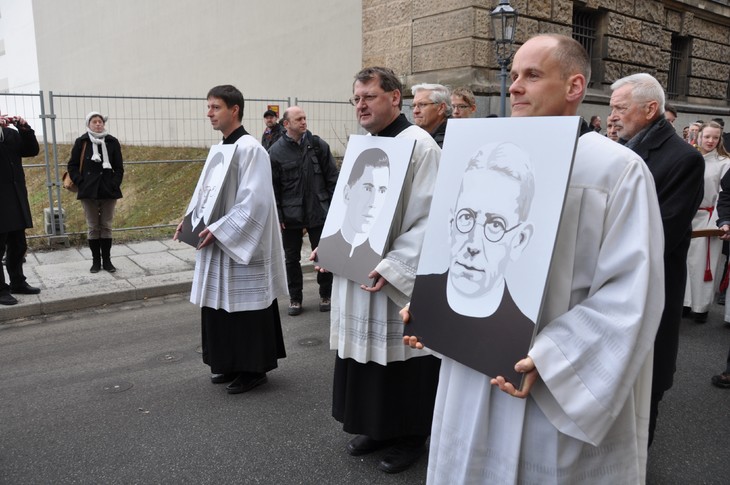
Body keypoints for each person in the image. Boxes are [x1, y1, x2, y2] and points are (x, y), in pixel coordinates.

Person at [403, 34, 665, 483]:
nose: (515, 86)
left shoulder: (615, 170)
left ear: (574, 86)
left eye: (532, 75)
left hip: (547, 383)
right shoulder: (477, 155)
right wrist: (433, 307)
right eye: (515, 75)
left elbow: (632, 291)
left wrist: (552, 357)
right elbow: (450, 245)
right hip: (472, 368)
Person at [314, 66, 441, 474]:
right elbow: (348, 204)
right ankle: (378, 426)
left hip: (395, 277)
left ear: (395, 98)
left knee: (401, 358)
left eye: (369, 96)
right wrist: (331, 244)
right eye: (356, 98)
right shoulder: (363, 144)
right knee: (366, 357)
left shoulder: (420, 145)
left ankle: (410, 435)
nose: (361, 105)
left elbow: (432, 218)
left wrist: (396, 264)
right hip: (358, 270)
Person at [609, 72, 704, 446]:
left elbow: (659, 234)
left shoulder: (684, 160)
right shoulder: (618, 147)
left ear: (650, 110)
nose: (613, 116)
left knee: (645, 388)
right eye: (612, 108)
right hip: (613, 287)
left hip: (649, 288)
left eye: (620, 108)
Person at [174, 85, 287, 395]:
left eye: (215, 107)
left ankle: (253, 370)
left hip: (240, 243)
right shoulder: (220, 149)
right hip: (217, 239)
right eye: (209, 107)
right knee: (221, 305)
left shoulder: (251, 149)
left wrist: (222, 229)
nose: (209, 113)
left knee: (245, 308)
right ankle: (229, 362)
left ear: (234, 110)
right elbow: (205, 193)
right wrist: (189, 221)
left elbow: (257, 201)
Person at [409, 141, 536, 384]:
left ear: (519, 240)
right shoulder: (422, 299)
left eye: (495, 225)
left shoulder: (522, 334)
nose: (473, 243)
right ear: (450, 223)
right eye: (466, 217)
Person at [269, 106, 338, 316]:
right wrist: (279, 216)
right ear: (286, 124)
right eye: (298, 119)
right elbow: (273, 189)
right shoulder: (275, 151)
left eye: (305, 118)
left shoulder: (318, 145)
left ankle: (326, 294)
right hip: (290, 216)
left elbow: (332, 179)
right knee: (291, 258)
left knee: (323, 256)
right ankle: (295, 298)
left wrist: (337, 211)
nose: (303, 122)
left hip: (319, 210)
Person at [316, 147, 390, 284]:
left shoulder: (379, 261)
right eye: (368, 188)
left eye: (381, 191)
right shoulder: (327, 246)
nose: (373, 202)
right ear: (347, 193)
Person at [683, 121, 730, 323]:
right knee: (684, 262)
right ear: (699, 136)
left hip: (709, 217)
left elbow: (723, 195)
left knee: (703, 265)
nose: (710, 141)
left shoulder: (724, 162)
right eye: (707, 136)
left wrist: (717, 223)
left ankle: (700, 307)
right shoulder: (690, 157)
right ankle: (684, 303)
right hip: (687, 217)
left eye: (715, 137)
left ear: (720, 140)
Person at [67, 112, 124, 273]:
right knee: (93, 226)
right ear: (88, 124)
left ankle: (107, 261)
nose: (98, 124)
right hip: (88, 190)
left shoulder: (112, 141)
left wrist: (114, 183)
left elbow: (119, 167)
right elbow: (72, 165)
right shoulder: (82, 142)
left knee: (106, 226)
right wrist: (80, 182)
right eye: (94, 122)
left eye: (100, 122)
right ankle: (95, 262)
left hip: (108, 190)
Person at [0, 112, 40, 306]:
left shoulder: (11, 134)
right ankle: (1, 290)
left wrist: (24, 129)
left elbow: (31, 150)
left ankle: (18, 282)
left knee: (18, 245)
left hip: (15, 197)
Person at [411, 83, 451, 148]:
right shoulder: (412, 136)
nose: (415, 111)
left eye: (422, 104)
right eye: (414, 105)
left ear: (441, 108)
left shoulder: (452, 139)